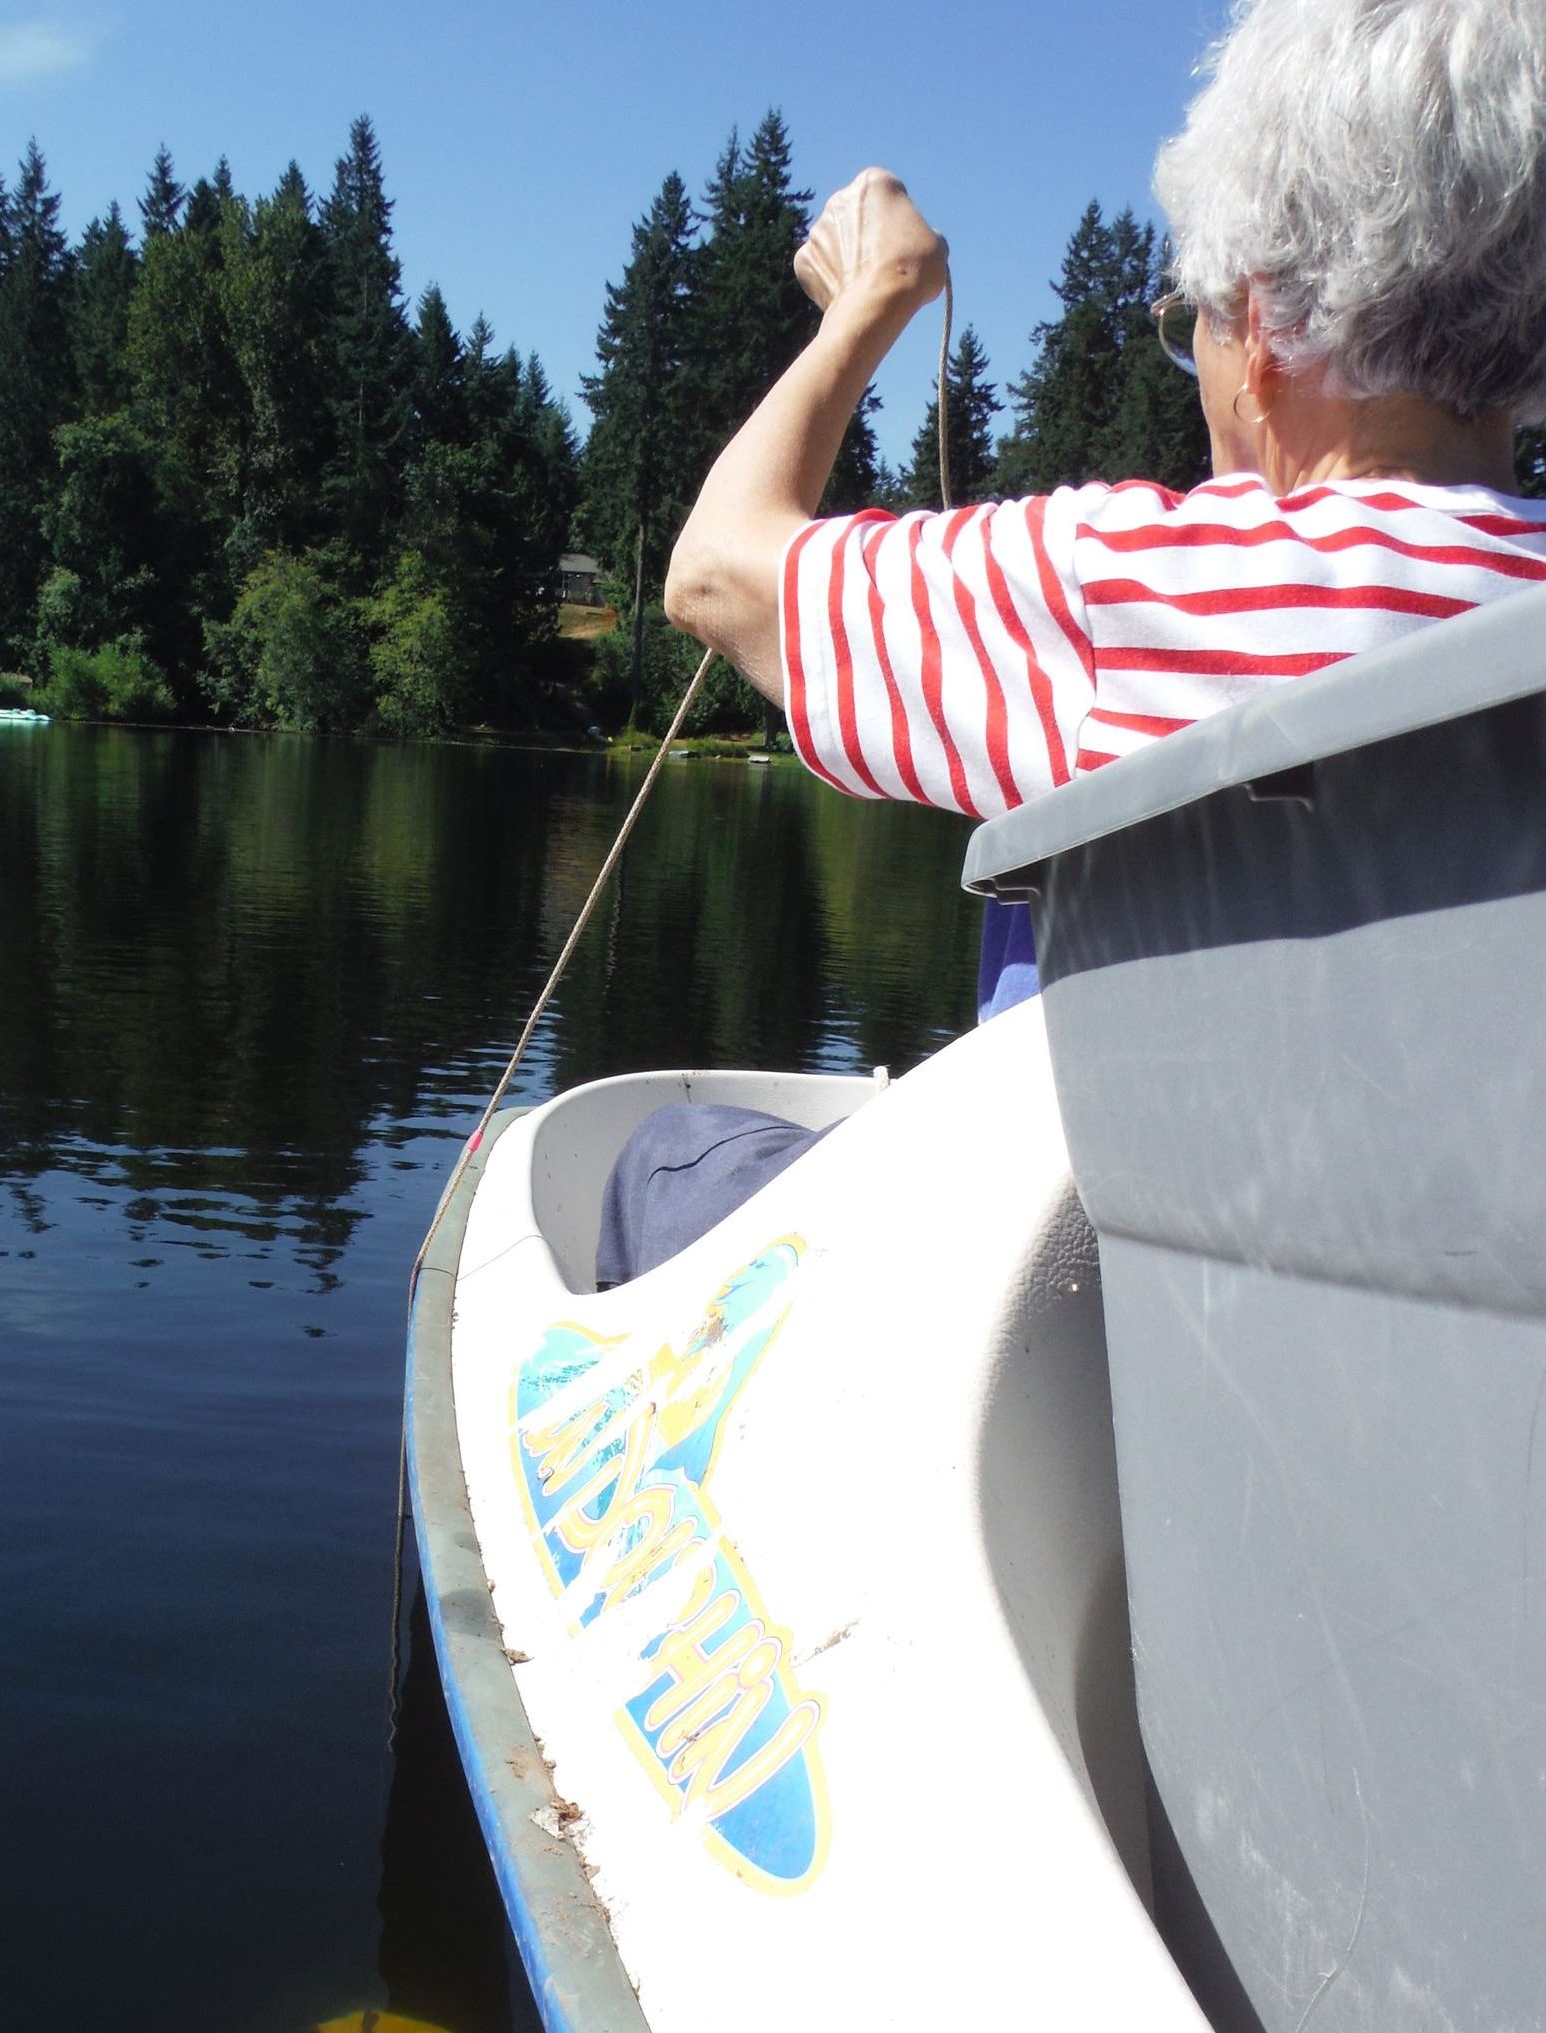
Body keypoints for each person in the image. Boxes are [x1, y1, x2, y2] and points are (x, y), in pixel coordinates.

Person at [595, 0, 1546, 1286]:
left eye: (1188, 328)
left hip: (1093, 1345)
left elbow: (713, 573)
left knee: (666, 1161)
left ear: (1257, 322)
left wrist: (865, 306)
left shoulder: (1137, 596)